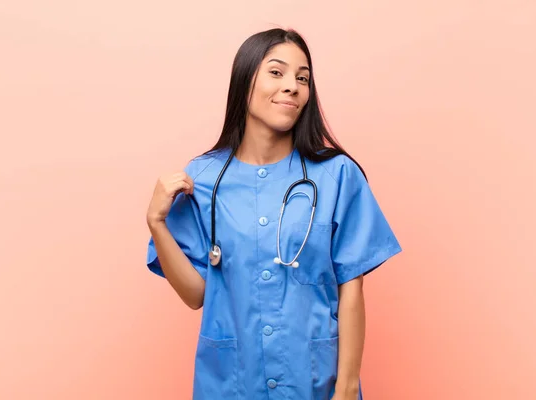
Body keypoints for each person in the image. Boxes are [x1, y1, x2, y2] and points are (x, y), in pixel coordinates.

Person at [144, 27, 402, 400]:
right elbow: (197, 294)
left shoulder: (336, 176)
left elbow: (351, 289)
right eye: (276, 72)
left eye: (302, 78)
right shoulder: (203, 179)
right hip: (232, 384)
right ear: (245, 79)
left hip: (313, 381)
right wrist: (157, 223)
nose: (292, 86)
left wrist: (346, 387)